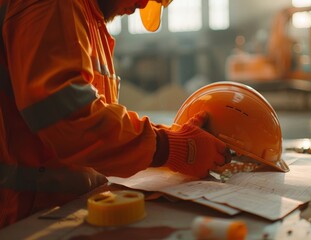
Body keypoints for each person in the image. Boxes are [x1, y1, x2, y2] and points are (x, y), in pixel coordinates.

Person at [0, 0, 229, 228]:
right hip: (20, 220)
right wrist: (172, 147)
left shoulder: (90, 19)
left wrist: (173, 135)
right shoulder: (55, 6)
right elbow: (70, 118)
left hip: (56, 213)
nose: (141, 5)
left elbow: (97, 119)